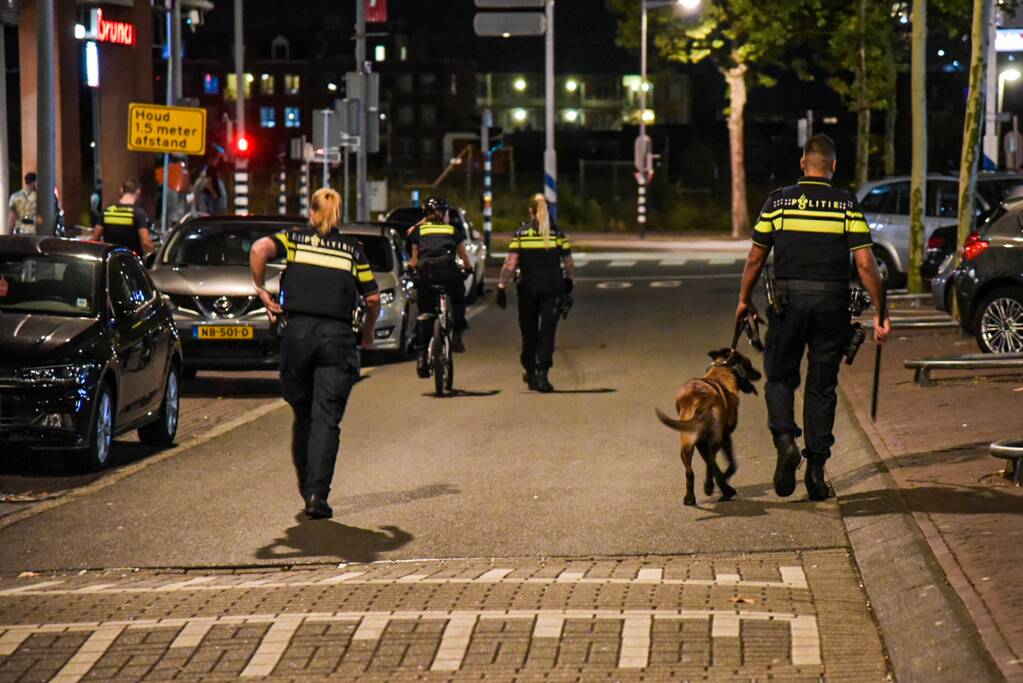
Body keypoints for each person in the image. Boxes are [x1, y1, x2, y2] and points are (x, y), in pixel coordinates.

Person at [735, 134, 891, 501]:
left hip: (788, 302)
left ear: (802, 164)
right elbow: (866, 263)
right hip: (832, 303)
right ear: (833, 167)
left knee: (780, 377)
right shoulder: (846, 204)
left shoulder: (778, 201)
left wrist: (744, 299)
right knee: (822, 385)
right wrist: (881, 311)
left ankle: (786, 440)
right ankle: (817, 472)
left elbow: (756, 257)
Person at [249, 188, 380, 520]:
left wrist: (261, 289)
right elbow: (373, 299)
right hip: (336, 339)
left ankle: (306, 482)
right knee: (326, 419)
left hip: (297, 336)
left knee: (303, 413)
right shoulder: (352, 249)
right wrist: (367, 332)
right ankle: (316, 495)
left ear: (311, 213)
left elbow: (259, 248)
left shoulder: (293, 240)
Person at [496, 193, 575, 393]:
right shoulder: (557, 234)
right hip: (552, 287)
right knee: (547, 331)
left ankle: (530, 370)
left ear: (530, 211)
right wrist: (568, 281)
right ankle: (542, 376)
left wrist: (501, 286)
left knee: (528, 331)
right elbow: (569, 263)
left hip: (528, 288)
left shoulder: (521, 233)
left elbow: (511, 263)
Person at [408, 197, 473, 375]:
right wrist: (468, 269)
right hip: (448, 272)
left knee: (425, 313)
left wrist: (410, 269)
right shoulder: (452, 230)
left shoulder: (419, 230)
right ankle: (458, 335)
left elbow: (414, 260)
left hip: (426, 274)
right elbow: (464, 257)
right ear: (443, 213)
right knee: (459, 297)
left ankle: (421, 356)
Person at [92, 179, 154, 256]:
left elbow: (95, 239)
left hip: (110, 260)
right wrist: (153, 255)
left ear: (121, 190)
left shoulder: (107, 210)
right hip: (130, 261)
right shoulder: (138, 213)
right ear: (138, 192)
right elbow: (146, 242)